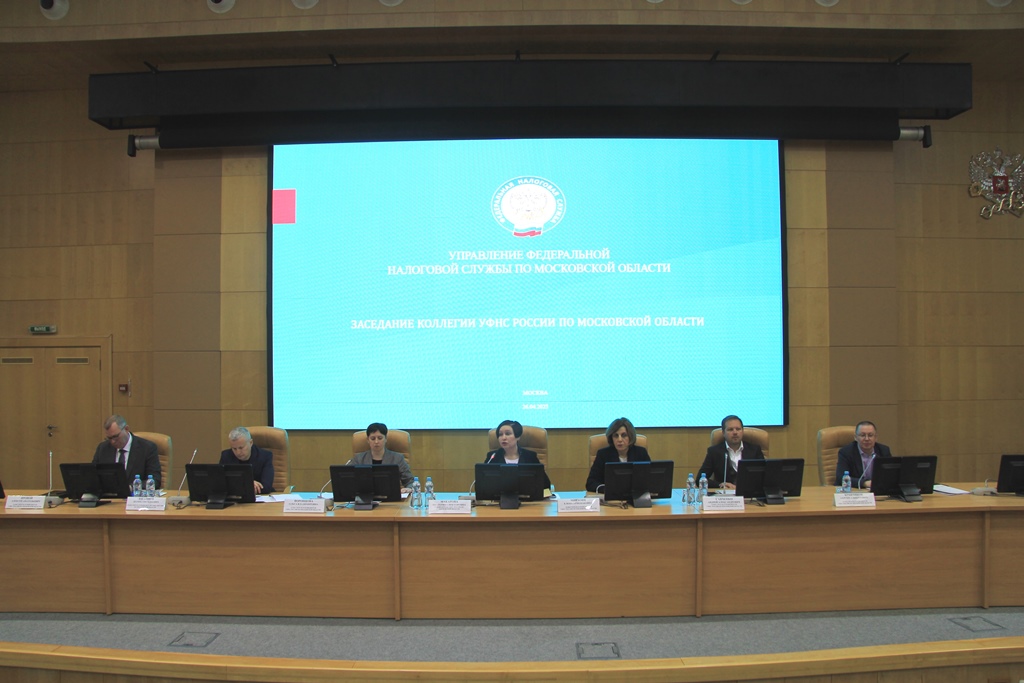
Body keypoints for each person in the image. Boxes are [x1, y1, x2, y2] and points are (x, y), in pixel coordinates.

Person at [91, 414, 162, 489]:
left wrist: (130, 488)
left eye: (115, 436)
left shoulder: (147, 448)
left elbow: (155, 480)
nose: (112, 441)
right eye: (109, 438)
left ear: (126, 429)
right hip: (110, 495)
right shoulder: (103, 448)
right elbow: (92, 475)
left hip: (134, 494)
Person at [698, 415, 765, 489]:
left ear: (742, 431)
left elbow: (764, 476)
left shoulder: (754, 450)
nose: (735, 432)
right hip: (726, 494)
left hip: (749, 493)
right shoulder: (714, 452)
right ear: (723, 433)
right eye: (730, 429)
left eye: (738, 429)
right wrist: (720, 485)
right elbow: (699, 479)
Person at [586, 417, 651, 492]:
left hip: (635, 496)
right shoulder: (603, 455)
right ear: (611, 438)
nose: (619, 440)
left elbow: (651, 479)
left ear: (630, 437)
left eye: (624, 435)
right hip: (612, 497)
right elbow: (590, 483)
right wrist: (606, 489)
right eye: (616, 436)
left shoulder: (641, 453)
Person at [484, 419, 551, 490]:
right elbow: (482, 483)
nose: (503, 438)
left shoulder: (530, 457)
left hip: (526, 496)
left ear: (518, 437)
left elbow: (545, 484)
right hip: (499, 496)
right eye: (500, 434)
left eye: (508, 434)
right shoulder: (493, 457)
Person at [350, 422, 415, 492]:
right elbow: (347, 478)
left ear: (386, 439)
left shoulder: (397, 458)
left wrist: (409, 488)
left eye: (380, 438)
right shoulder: (359, 459)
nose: (376, 442)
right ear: (368, 440)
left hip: (391, 496)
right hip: (365, 496)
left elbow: (410, 481)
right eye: (373, 438)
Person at [834, 420, 893, 489]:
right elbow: (841, 477)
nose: (867, 439)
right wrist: (864, 483)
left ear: (876, 437)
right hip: (854, 491)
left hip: (876, 490)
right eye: (862, 435)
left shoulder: (883, 451)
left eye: (870, 435)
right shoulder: (846, 452)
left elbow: (890, 475)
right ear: (855, 437)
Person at [220, 426, 274, 494]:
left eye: (241, 448)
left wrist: (238, 486)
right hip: (236, 498)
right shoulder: (226, 456)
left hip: (261, 497)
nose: (238, 452)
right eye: (234, 448)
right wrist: (248, 484)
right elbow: (220, 483)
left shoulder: (265, 456)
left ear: (251, 443)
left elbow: (266, 487)